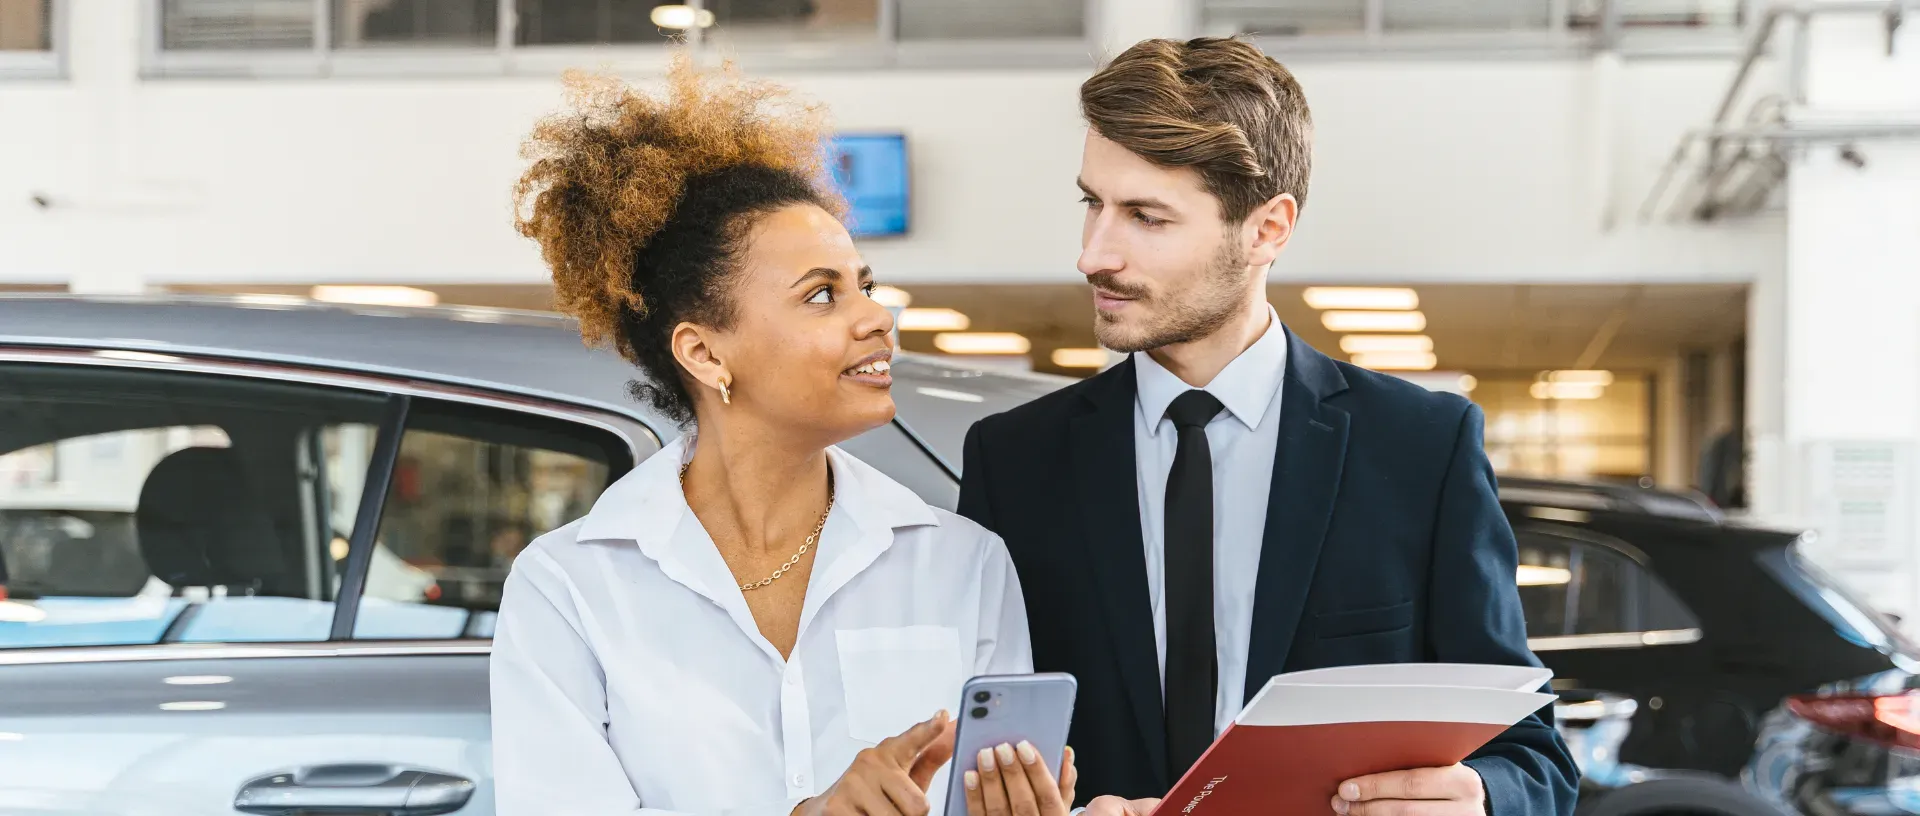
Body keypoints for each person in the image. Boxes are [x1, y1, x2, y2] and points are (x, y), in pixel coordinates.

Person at [957, 37, 1580, 816]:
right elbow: (973, 749)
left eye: (1146, 217)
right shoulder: (1014, 461)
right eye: (1094, 203)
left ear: (1268, 230)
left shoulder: (1421, 448)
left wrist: (1482, 797)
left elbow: (1535, 756)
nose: (1093, 254)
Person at [489, 57, 1069, 816]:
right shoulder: (571, 588)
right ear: (704, 353)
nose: (875, 318)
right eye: (822, 295)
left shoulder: (963, 564)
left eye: (867, 285)